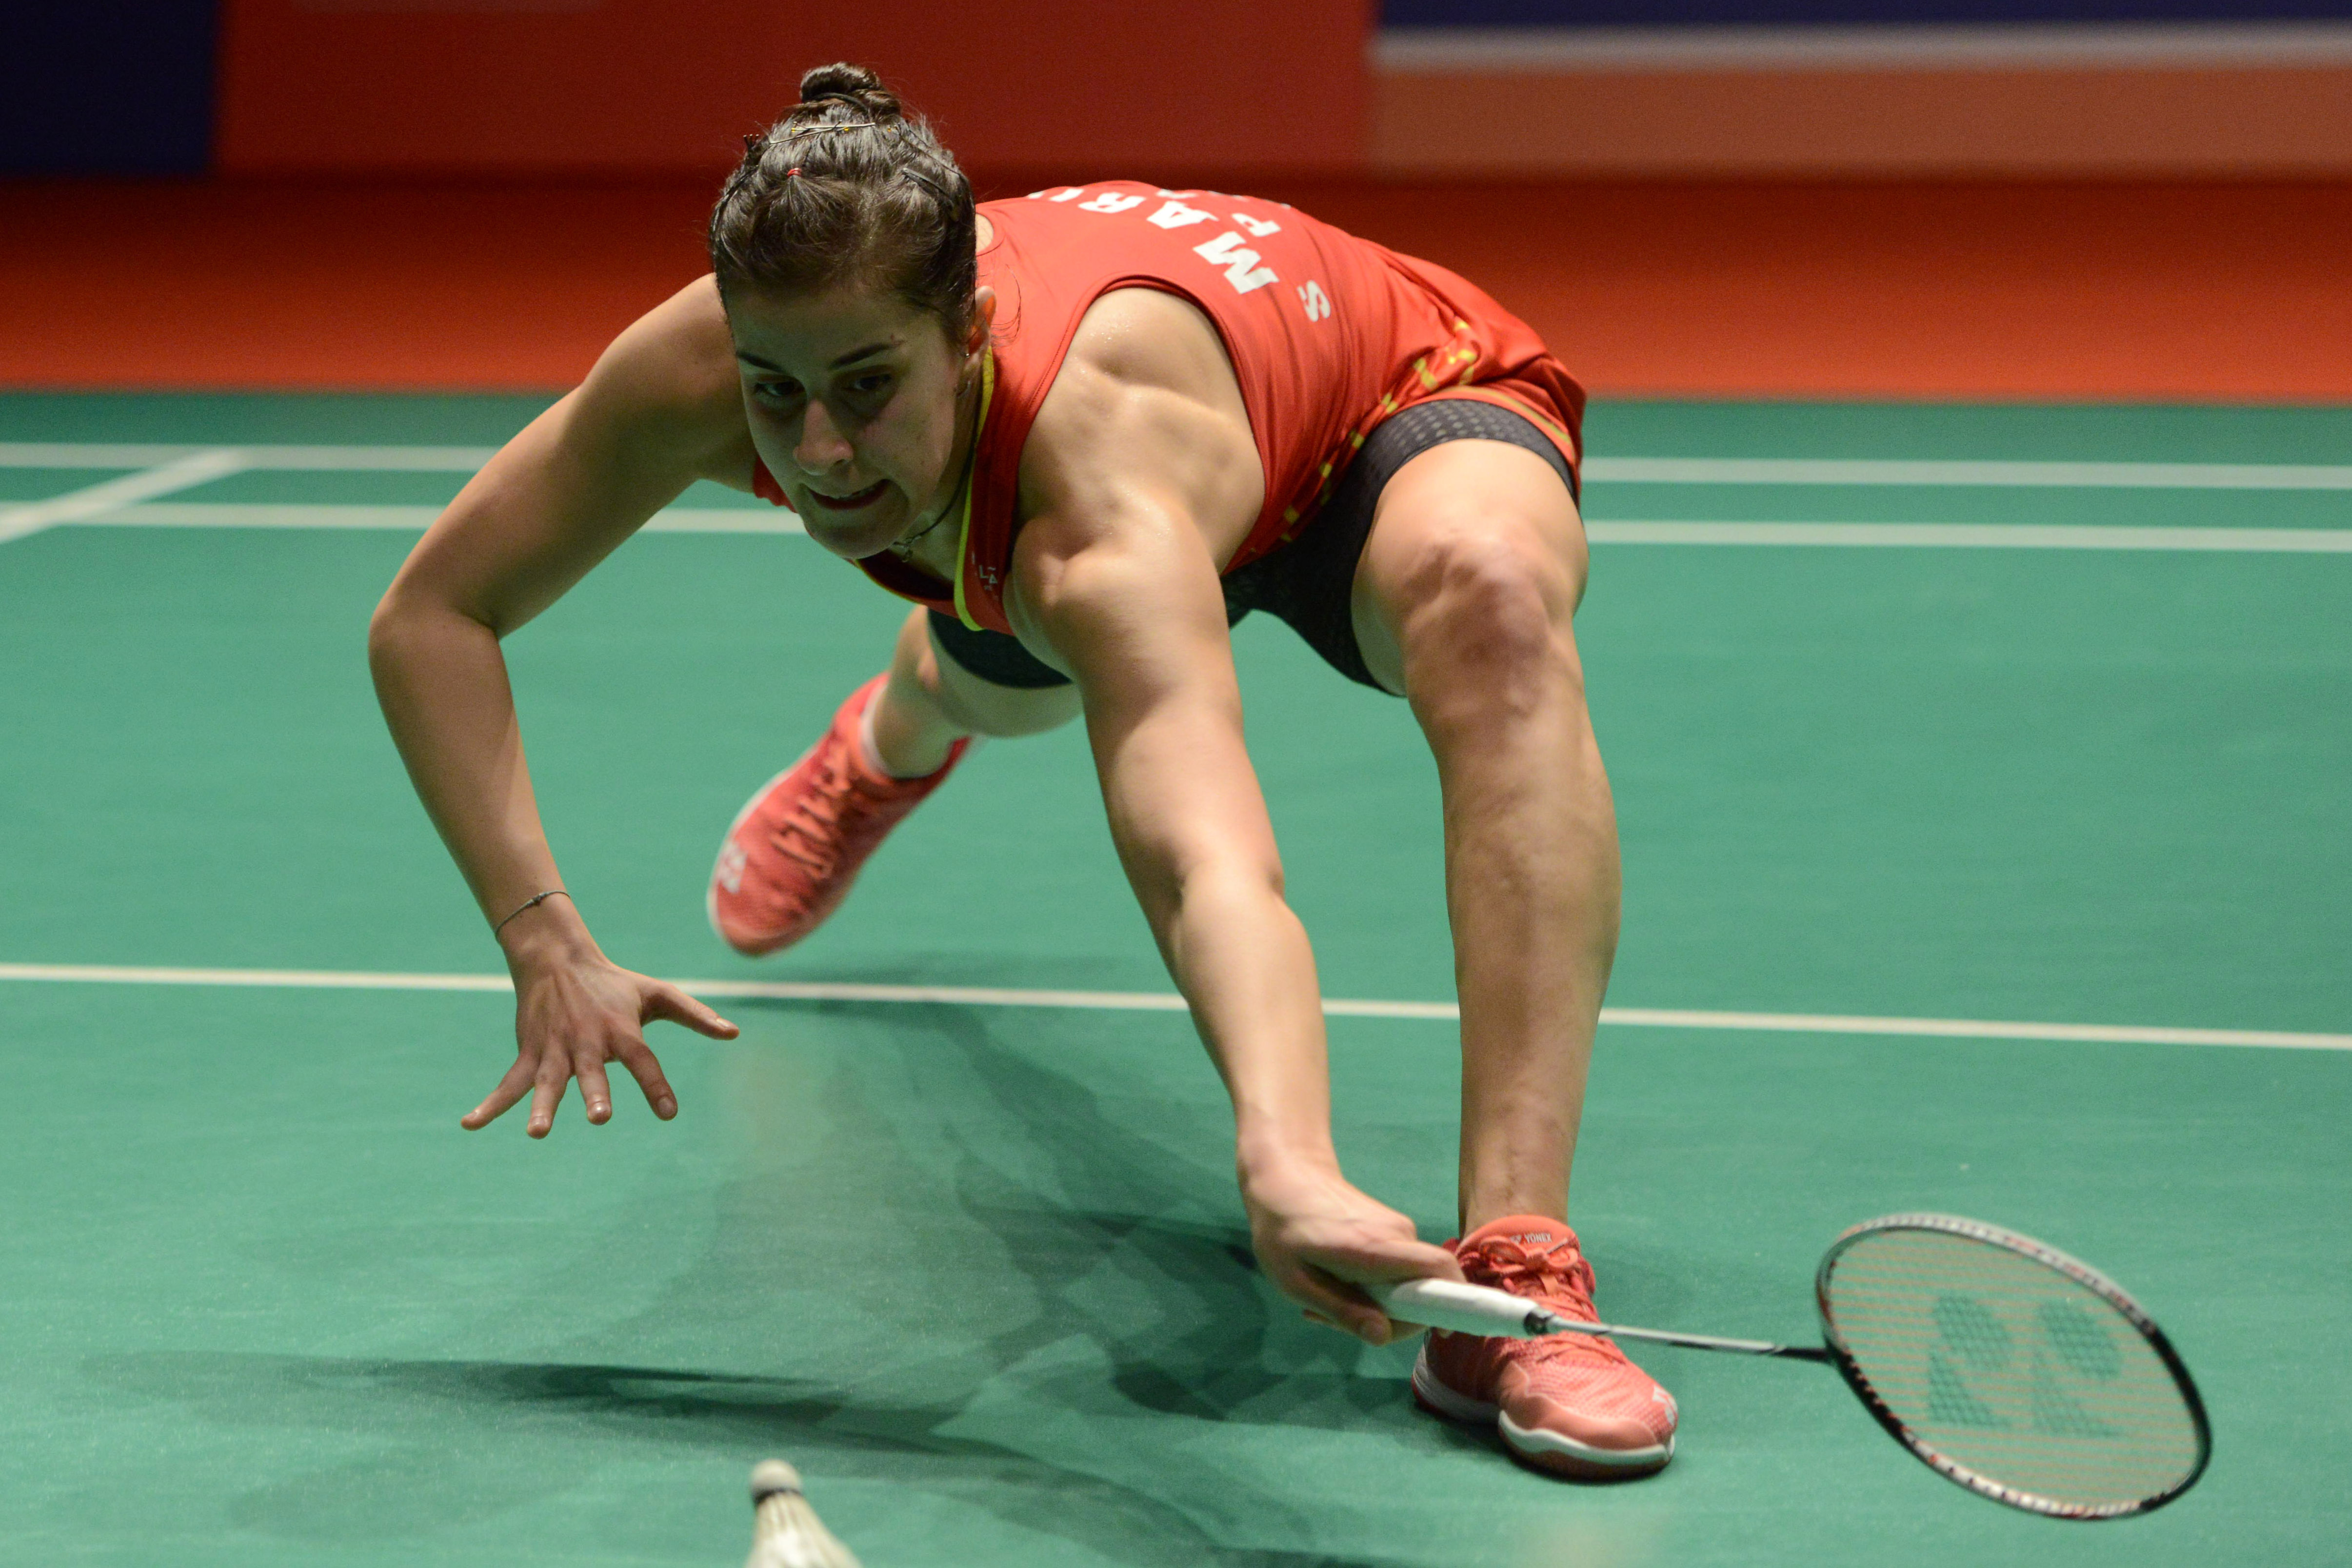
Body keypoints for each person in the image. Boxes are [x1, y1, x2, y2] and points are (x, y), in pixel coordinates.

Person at [367, 63, 1676, 1480]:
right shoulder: (710, 370)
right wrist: (542, 938)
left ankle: (1521, 1267)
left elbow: (1206, 862)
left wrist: (1284, 1152)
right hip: (1049, 519)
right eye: (774, 394)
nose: (816, 451)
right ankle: (892, 737)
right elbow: (434, 617)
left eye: (867, 387)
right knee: (995, 671)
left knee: (1491, 601)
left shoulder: (1095, 515)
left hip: (1379, 412)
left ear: (969, 333)